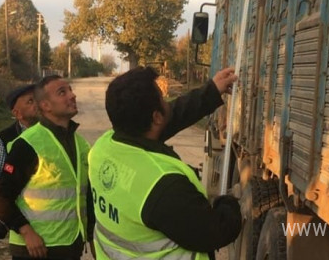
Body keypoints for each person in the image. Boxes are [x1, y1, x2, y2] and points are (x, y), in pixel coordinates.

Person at [88, 66, 242, 259]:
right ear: (156, 117)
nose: (167, 102)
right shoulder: (163, 185)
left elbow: (172, 115)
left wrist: (211, 91)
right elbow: (216, 232)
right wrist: (230, 201)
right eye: (162, 98)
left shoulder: (102, 147)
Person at [0, 75, 94, 259]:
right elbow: (0, 196)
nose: (72, 96)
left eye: (70, 90)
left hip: (71, 246)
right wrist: (26, 231)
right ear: (45, 105)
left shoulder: (81, 144)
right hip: (36, 250)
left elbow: (85, 196)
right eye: (62, 92)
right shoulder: (28, 143)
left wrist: (91, 238)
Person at [0, 84, 39, 239]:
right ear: (17, 113)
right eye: (30, 102)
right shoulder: (4, 140)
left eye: (38, 99)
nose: (37, 104)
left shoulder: (54, 135)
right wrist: (4, 214)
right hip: (22, 229)